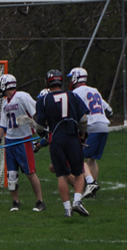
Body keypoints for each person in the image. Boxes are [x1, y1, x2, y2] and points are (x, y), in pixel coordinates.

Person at [35, 69, 91, 217]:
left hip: (56, 140)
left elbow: (39, 127)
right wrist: (83, 136)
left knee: (61, 175)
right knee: (78, 173)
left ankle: (67, 210)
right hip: (72, 137)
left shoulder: (44, 99)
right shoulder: (73, 95)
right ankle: (77, 201)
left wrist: (43, 134)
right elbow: (84, 120)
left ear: (48, 82)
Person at [0, 74, 45, 212]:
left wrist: (40, 126)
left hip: (24, 140)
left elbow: (37, 112)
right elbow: (3, 124)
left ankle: (40, 202)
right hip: (10, 141)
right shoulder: (5, 102)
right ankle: (16, 202)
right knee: (11, 175)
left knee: (30, 172)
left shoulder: (22, 96)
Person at [67, 67, 114, 198]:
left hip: (91, 126)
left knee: (78, 158)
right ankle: (92, 188)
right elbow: (109, 111)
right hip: (104, 126)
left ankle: (90, 184)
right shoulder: (94, 90)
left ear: (75, 78)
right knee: (91, 160)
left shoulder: (76, 92)